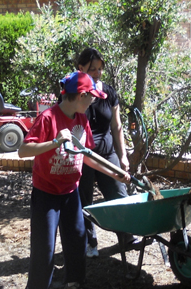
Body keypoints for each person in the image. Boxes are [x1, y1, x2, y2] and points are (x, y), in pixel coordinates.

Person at [17, 71, 129, 289]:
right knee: (44, 247)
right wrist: (55, 143)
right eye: (91, 97)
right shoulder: (48, 118)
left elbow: (87, 156)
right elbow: (23, 150)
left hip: (70, 192)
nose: (94, 101)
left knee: (77, 240)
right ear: (80, 95)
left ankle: (73, 286)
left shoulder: (82, 120)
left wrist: (114, 172)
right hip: (46, 193)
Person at [75, 48, 142, 257]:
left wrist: (122, 156)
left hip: (106, 154)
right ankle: (89, 242)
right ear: (80, 69)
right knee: (85, 202)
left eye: (100, 69)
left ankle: (127, 235)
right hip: (83, 156)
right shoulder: (75, 92)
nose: (97, 73)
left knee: (118, 195)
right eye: (92, 69)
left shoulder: (110, 93)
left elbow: (116, 126)